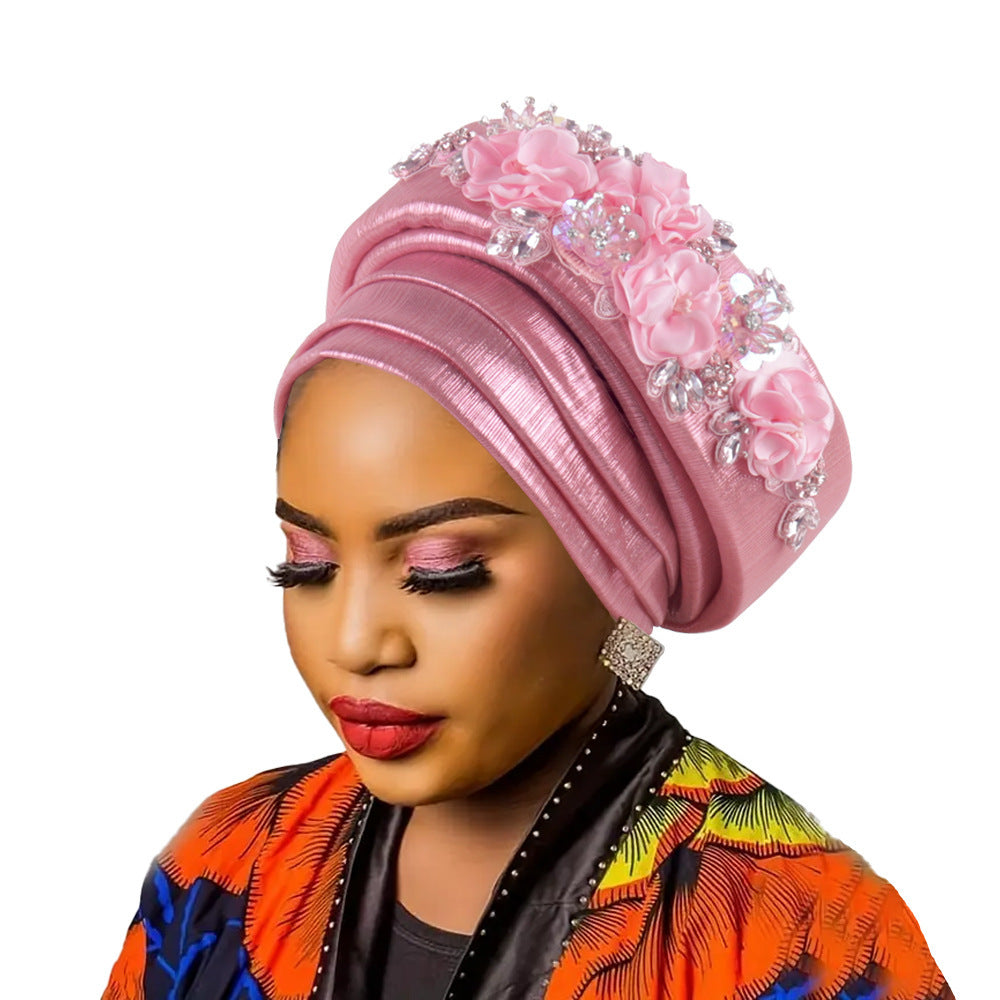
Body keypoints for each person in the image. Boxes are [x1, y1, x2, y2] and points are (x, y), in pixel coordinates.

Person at [101, 99, 953, 1000]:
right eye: (306, 563)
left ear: (615, 570)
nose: (355, 642)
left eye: (443, 571)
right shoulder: (230, 860)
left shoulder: (795, 931)